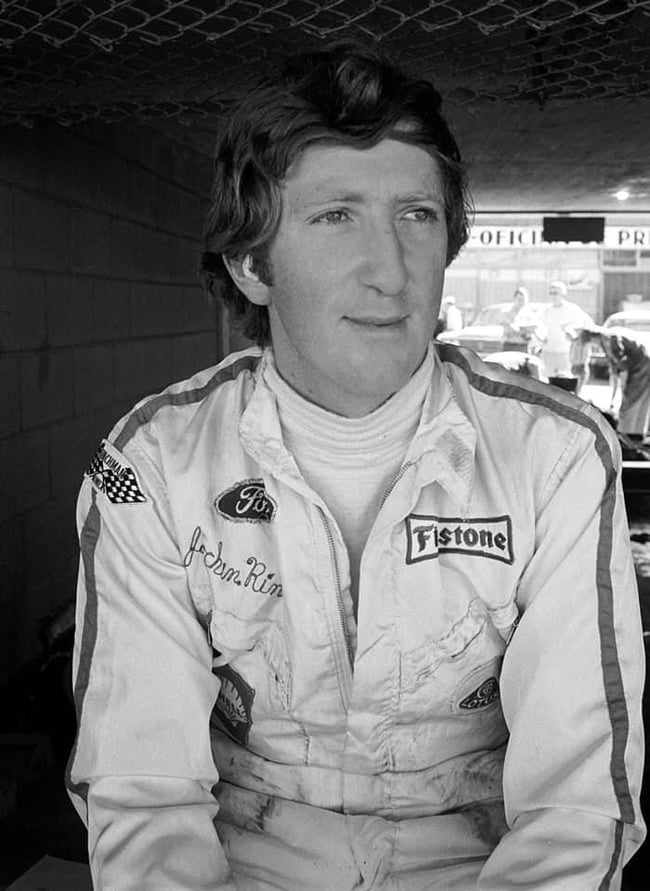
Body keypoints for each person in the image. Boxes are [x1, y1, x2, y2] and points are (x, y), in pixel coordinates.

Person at [66, 42, 645, 890]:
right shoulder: (152, 466)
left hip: (478, 861)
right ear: (250, 264)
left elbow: (573, 805)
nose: (392, 272)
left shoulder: (556, 455)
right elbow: (144, 796)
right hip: (246, 860)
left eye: (417, 215)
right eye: (337, 216)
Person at [597, 326, 650, 439]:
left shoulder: (610, 340)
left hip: (640, 368)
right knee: (641, 401)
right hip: (644, 363)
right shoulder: (607, 339)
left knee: (630, 402)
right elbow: (616, 366)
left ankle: (626, 434)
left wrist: (623, 384)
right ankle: (636, 434)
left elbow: (622, 364)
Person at [539, 280, 593, 376]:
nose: (553, 296)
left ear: (563, 293)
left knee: (564, 380)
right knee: (546, 380)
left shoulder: (572, 309)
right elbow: (541, 328)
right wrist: (541, 337)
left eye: (556, 293)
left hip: (565, 352)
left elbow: (587, 323)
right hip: (548, 351)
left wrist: (573, 333)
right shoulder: (547, 310)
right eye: (551, 293)